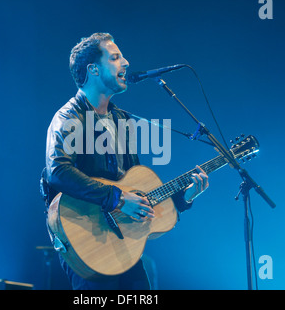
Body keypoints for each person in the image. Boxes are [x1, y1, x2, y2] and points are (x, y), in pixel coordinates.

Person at [42, 32, 209, 290]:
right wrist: (118, 198)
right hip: (87, 244)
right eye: (116, 57)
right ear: (94, 69)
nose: (127, 62)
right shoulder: (68, 116)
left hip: (123, 246)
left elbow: (137, 189)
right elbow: (58, 172)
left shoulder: (122, 121)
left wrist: (183, 198)